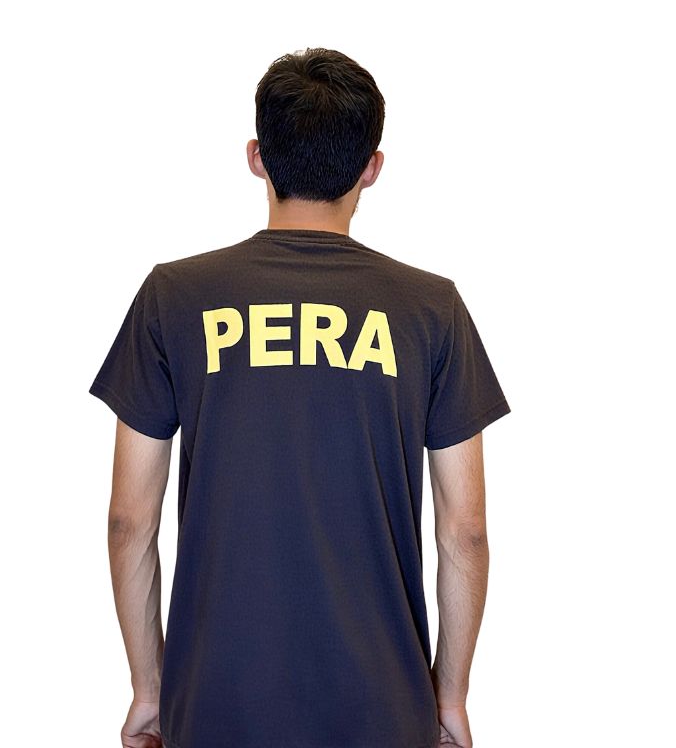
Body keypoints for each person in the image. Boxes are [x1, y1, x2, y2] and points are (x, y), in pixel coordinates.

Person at [89, 47, 511, 748]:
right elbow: (464, 532)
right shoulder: (430, 309)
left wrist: (150, 690)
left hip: (214, 709)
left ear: (257, 157)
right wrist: (451, 698)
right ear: (372, 167)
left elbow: (129, 522)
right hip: (386, 711)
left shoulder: (174, 297)